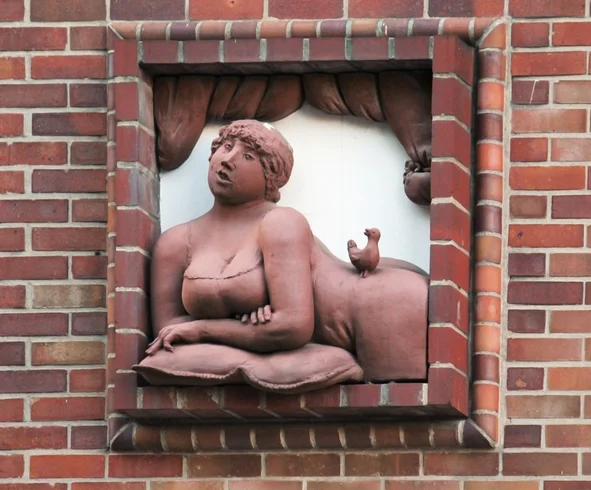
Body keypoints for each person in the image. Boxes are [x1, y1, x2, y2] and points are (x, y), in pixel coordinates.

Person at [144, 119, 429, 381]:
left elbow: (293, 325)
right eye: (227, 147)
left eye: (248, 157)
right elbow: (167, 335)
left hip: (383, 312)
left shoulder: (281, 222)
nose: (228, 160)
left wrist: (202, 329)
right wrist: (244, 330)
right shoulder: (175, 242)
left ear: (271, 179)